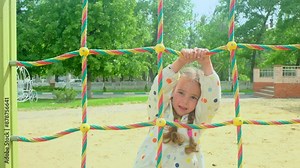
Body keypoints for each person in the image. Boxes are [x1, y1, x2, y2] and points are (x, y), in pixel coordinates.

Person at [133, 48, 221, 168]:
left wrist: (206, 63)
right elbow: (159, 86)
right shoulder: (160, 113)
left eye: (193, 97)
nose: (185, 101)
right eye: (181, 92)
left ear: (200, 100)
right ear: (172, 91)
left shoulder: (198, 120)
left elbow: (212, 100)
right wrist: (180, 61)